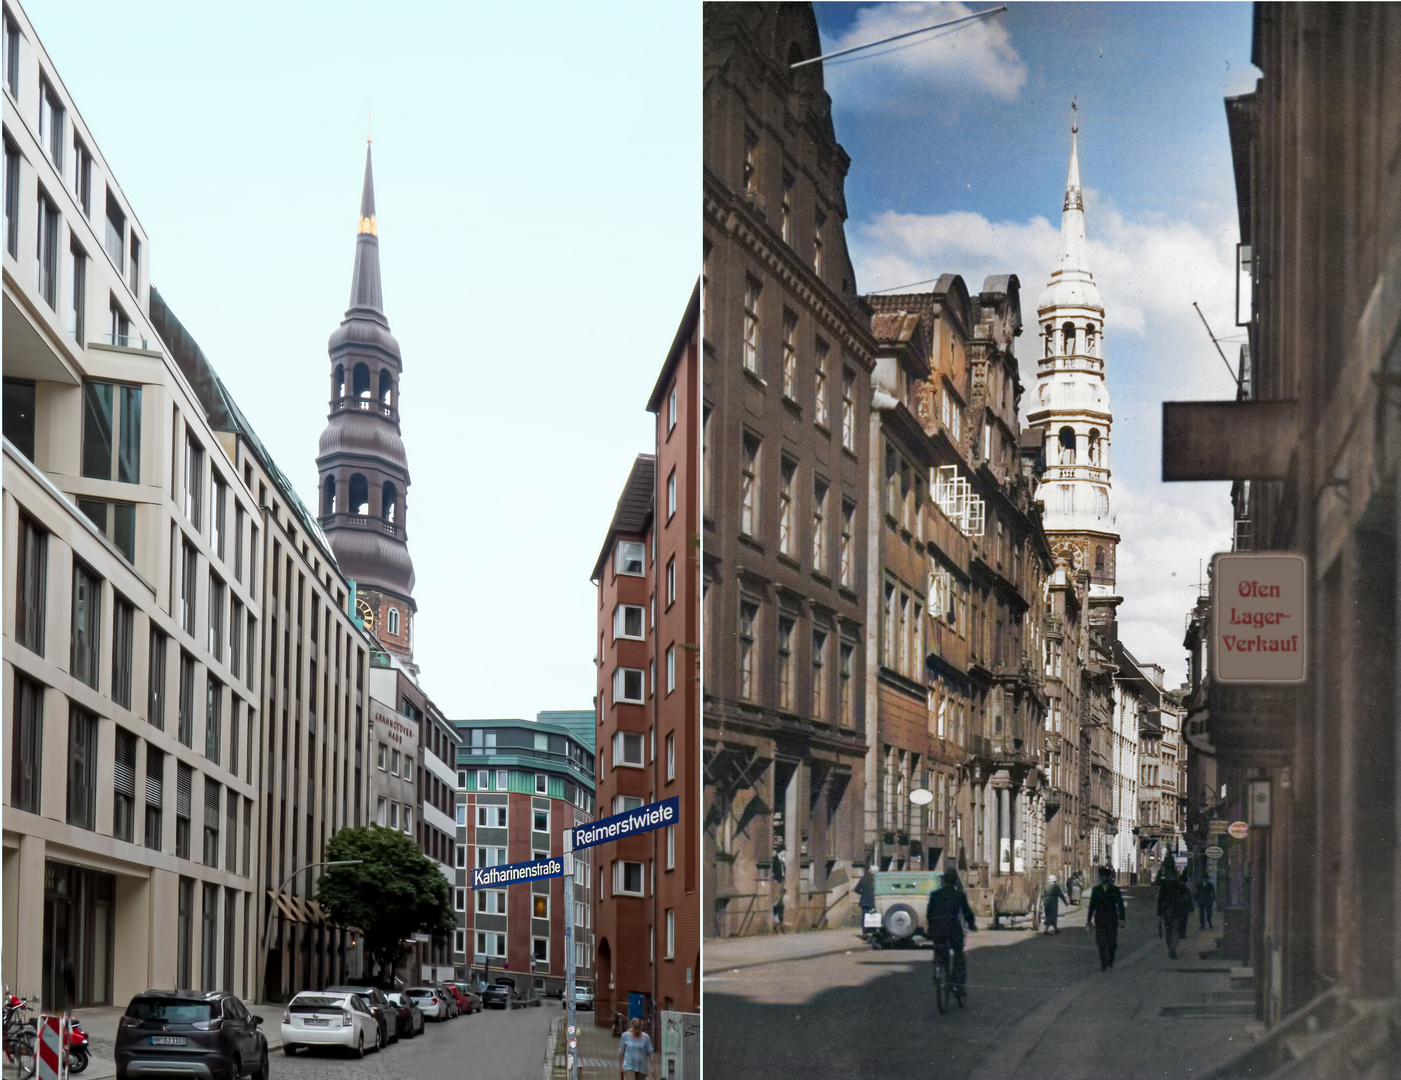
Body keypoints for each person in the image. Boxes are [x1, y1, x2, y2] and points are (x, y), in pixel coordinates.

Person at [926, 867, 977, 991]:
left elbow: (929, 914)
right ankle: (957, 982)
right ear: (954, 882)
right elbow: (967, 912)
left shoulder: (934, 895)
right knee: (958, 954)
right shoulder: (958, 895)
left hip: (937, 930)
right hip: (953, 930)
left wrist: (930, 929)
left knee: (939, 950)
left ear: (943, 881)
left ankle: (937, 970)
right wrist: (971, 925)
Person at [1086, 866, 1126, 971]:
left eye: (1105, 876)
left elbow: (1120, 905)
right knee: (1101, 943)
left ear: (1108, 878)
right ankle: (1103, 963)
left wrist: (1122, 919)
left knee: (1112, 943)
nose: (1103, 878)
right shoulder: (1096, 890)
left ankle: (1111, 958)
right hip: (1100, 920)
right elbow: (1092, 906)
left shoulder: (1115, 890)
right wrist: (1088, 920)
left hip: (1112, 919)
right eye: (1101, 876)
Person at [1158, 866, 1194, 959]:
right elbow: (1187, 896)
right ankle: (1172, 948)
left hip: (1167, 912)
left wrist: (1159, 912)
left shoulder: (1164, 887)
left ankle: (1171, 948)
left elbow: (1160, 900)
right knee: (1175, 931)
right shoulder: (1180, 887)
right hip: (1177, 912)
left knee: (1168, 931)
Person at [619, 1016, 654, 1080]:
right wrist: (621, 1066)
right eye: (635, 1029)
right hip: (629, 1066)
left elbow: (650, 1052)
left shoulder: (646, 1037)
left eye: (639, 1029)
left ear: (641, 1027)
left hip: (642, 1067)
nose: (637, 1031)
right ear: (632, 1026)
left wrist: (653, 1067)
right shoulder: (625, 1036)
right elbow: (621, 1052)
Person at [856, 867, 876, 941]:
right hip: (875, 902)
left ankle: (864, 933)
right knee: (874, 917)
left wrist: (862, 893)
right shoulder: (877, 879)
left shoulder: (863, 879)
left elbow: (856, 889)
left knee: (864, 917)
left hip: (864, 901)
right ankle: (873, 932)